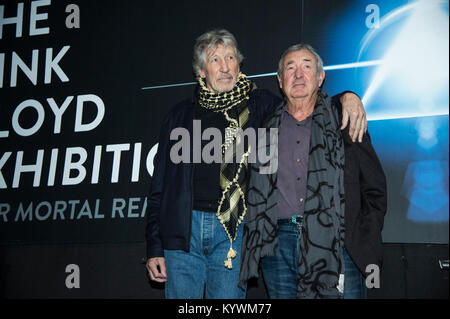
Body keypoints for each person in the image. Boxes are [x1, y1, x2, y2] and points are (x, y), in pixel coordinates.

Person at [145, 30, 368, 299]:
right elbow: (159, 188)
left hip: (235, 230)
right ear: (202, 71)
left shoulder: (261, 105)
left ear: (239, 64)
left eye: (230, 57)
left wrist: (347, 97)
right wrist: (155, 247)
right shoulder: (178, 116)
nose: (225, 66)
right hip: (182, 231)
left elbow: (304, 102)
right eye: (215, 60)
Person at [239, 44, 387, 299]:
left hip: (340, 245)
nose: (298, 75)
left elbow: (375, 188)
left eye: (307, 67)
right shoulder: (264, 127)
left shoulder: (344, 120)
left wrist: (361, 233)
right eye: (290, 67)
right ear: (280, 80)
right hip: (277, 248)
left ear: (320, 77)